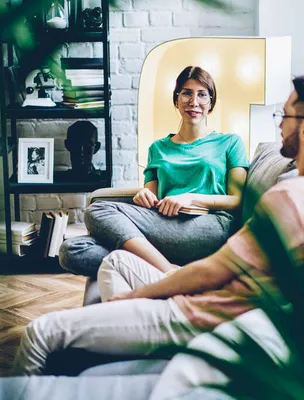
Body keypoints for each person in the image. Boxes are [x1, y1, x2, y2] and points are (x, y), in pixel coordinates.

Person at [13, 73, 304, 376]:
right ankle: (117, 344)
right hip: (191, 273)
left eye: (283, 117)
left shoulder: (286, 199)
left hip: (197, 312)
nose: (278, 126)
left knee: (40, 332)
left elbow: (210, 273)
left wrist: (135, 298)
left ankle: (116, 331)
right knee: (112, 260)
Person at [59, 66, 249, 277]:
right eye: (186, 93)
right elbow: (151, 196)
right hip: (163, 226)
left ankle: (166, 272)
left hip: (209, 226)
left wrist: (191, 199)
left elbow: (237, 200)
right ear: (176, 99)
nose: (194, 102)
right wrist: (144, 195)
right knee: (71, 250)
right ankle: (168, 268)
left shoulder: (230, 143)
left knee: (97, 210)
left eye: (202, 95)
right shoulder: (158, 148)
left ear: (211, 102)